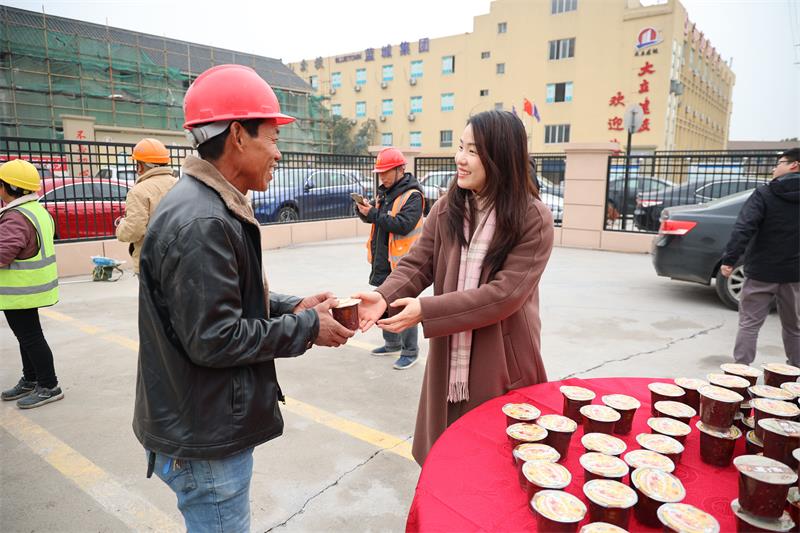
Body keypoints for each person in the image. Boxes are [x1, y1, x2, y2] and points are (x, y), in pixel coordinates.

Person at [132, 64, 354, 532]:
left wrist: (291, 307)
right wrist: (309, 327)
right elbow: (215, 337)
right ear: (237, 135)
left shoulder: (207, 203)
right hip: (205, 439)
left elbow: (217, 301)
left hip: (201, 421)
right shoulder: (203, 221)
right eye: (272, 138)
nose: (278, 152)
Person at [355, 110, 554, 464]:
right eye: (461, 147)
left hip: (502, 358)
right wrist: (384, 296)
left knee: (495, 464)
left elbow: (504, 295)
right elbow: (419, 263)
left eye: (473, 151)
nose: (460, 158)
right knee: (446, 459)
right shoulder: (449, 208)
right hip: (450, 353)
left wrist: (426, 311)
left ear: (501, 156)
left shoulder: (532, 217)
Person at [721, 148, 800, 366]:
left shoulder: (765, 193)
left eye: (780, 163)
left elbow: (744, 228)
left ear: (794, 165)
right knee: (794, 327)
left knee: (749, 325)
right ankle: (795, 373)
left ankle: (740, 373)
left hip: (761, 272)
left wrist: (729, 260)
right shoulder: (765, 192)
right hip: (794, 274)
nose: (775, 168)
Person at [0, 159, 64, 409]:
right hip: (30, 288)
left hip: (20, 290)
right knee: (26, 336)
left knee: (30, 337)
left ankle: (49, 385)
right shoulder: (35, 210)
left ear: (11, 187)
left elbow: (3, 253)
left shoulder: (16, 217)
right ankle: (31, 379)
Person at [356, 147, 424, 370]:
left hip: (404, 262)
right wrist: (364, 211)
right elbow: (377, 220)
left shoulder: (413, 196)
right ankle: (392, 343)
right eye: (380, 173)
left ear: (401, 170)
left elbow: (403, 225)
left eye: (386, 172)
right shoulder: (384, 193)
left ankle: (410, 351)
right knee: (383, 303)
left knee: (402, 306)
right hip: (383, 260)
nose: (382, 177)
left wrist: (374, 214)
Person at [115, 137, 177, 274]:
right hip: (178, 258)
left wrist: (120, 227)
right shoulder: (180, 184)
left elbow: (134, 230)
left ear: (140, 166)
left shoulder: (138, 191)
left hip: (150, 262)